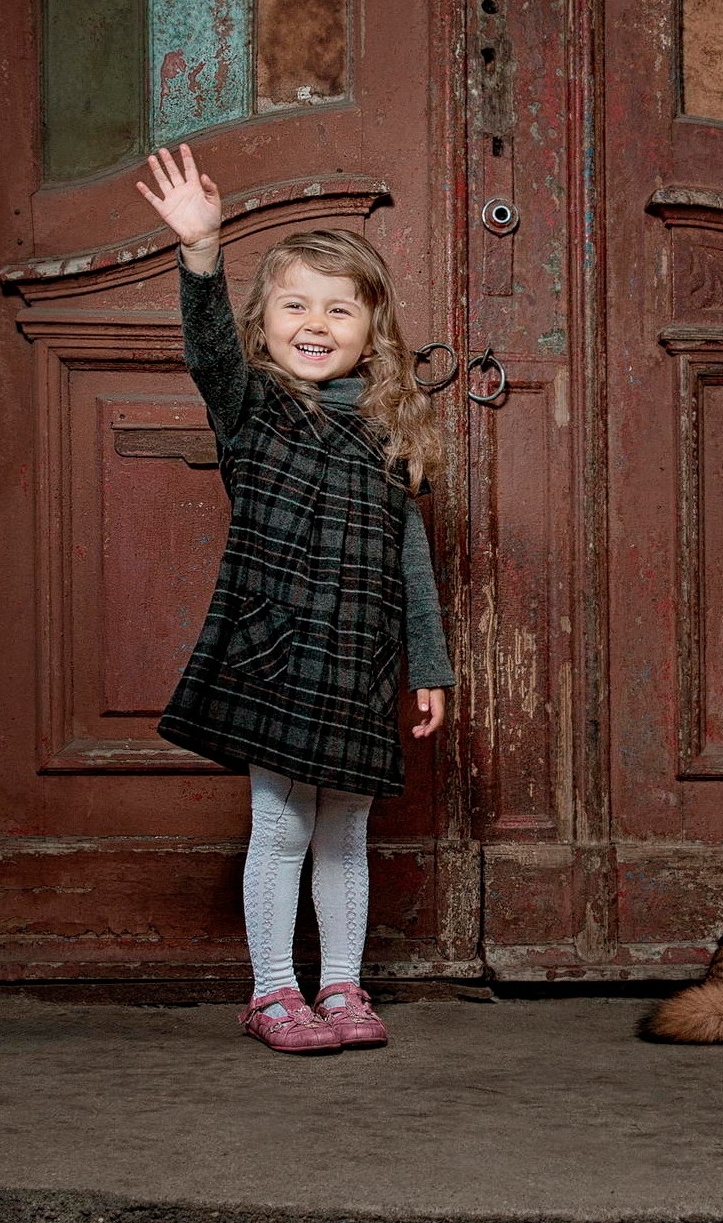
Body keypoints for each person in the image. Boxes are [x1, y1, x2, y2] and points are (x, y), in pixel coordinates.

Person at [137, 144, 455, 1054]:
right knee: (280, 822)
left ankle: (343, 989)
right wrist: (202, 250)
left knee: (346, 828)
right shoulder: (251, 408)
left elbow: (411, 561)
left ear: (372, 329)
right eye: (295, 305)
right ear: (265, 323)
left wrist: (427, 663)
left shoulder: (389, 430)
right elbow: (205, 347)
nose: (315, 323)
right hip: (276, 648)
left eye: (338, 308)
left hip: (356, 658)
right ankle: (275, 992)